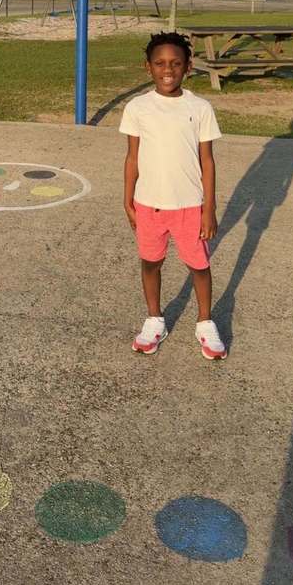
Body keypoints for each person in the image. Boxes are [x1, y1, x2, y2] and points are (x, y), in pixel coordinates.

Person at [119, 31, 226, 359]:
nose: (168, 69)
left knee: (199, 266)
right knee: (151, 263)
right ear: (148, 67)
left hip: (190, 207)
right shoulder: (138, 108)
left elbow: (206, 161)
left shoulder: (200, 107)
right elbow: (132, 157)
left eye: (176, 63)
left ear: (188, 66)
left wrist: (209, 208)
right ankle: (154, 320)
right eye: (160, 63)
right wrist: (127, 198)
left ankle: (205, 323)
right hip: (149, 205)